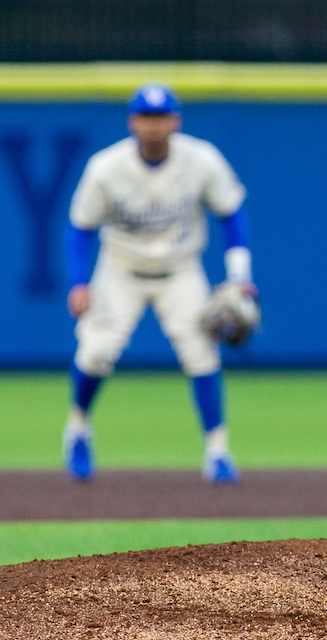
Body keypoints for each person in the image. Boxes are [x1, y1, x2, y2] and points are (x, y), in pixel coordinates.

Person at [62, 82, 256, 484]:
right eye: (146, 117)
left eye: (161, 117)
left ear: (176, 120)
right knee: (96, 351)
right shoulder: (106, 168)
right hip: (120, 270)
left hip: (181, 271)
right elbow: (79, 228)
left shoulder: (201, 160)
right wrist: (79, 282)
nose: (154, 126)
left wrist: (240, 276)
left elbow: (232, 214)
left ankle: (217, 451)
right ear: (133, 122)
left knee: (202, 353)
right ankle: (78, 428)